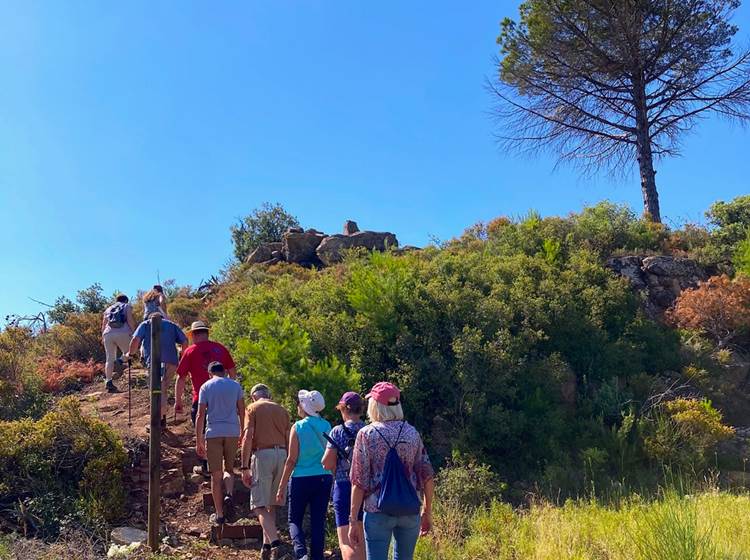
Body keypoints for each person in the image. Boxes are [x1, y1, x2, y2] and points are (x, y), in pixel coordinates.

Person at [348, 382, 434, 560]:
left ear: (375, 405)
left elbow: (359, 481)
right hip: (409, 509)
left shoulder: (366, 434)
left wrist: (352, 519)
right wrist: (427, 511)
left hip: (377, 509)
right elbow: (427, 475)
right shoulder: (412, 433)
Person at [276, 390, 333, 560]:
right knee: (318, 521)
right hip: (323, 476)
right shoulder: (327, 426)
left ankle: (301, 553)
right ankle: (317, 557)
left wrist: (281, 486)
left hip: (301, 478)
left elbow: (291, 459)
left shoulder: (298, 427)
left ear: (304, 407)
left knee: (294, 519)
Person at [175, 321, 237, 476]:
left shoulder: (190, 351)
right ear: (206, 333)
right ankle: (226, 466)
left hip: (201, 397)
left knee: (203, 430)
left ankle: (208, 466)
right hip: (223, 398)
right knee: (224, 426)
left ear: (194, 335)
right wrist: (229, 389)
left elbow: (181, 377)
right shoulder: (220, 348)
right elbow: (232, 371)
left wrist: (178, 400)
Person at [240, 383, 291, 560]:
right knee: (271, 503)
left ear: (253, 396)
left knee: (258, 505)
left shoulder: (252, 408)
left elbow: (248, 437)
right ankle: (266, 546)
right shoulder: (282, 410)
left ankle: (276, 542)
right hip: (283, 454)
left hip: (262, 455)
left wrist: (244, 466)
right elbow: (288, 437)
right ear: (268, 394)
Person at [195, 361, 245, 525]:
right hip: (232, 431)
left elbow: (200, 414)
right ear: (224, 372)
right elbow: (242, 411)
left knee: (216, 476)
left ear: (210, 373)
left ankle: (220, 514)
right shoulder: (235, 386)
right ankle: (229, 493)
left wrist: (199, 439)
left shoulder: (206, 386)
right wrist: (242, 431)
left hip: (213, 432)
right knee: (229, 469)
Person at [322, 392, 367, 560]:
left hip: (343, 486)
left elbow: (327, 463)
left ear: (343, 409)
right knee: (362, 540)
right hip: (367, 489)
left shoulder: (337, 432)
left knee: (347, 542)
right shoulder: (368, 430)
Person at [128, 312, 188, 428]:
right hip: (171, 362)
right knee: (163, 389)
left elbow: (135, 340)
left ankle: (158, 422)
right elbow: (184, 341)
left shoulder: (145, 324)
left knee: (157, 391)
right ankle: (162, 420)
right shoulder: (171, 325)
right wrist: (183, 358)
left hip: (156, 362)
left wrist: (130, 354)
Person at [100, 294, 136, 393]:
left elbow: (104, 324)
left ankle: (108, 381)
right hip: (123, 332)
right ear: (126, 300)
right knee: (130, 351)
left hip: (108, 334)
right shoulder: (126, 306)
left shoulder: (108, 309)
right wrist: (134, 333)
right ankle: (120, 361)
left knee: (109, 358)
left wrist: (103, 336)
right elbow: (129, 320)